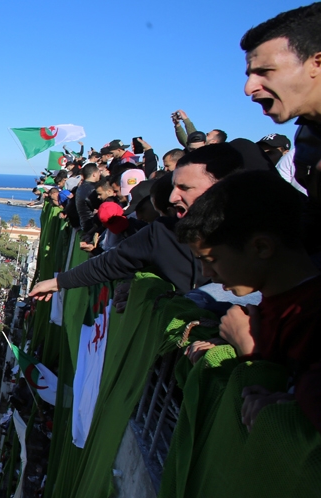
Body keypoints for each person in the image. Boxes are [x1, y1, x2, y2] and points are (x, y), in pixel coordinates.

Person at [176, 170, 321, 433]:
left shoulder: (310, 316)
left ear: (261, 247)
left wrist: (249, 351)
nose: (207, 275)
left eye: (211, 260)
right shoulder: (268, 308)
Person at [28, 144, 243, 298]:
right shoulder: (162, 232)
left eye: (185, 189)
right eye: (174, 187)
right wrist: (60, 282)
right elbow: (114, 261)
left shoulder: (254, 233)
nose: (172, 198)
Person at [241, 2, 321, 236]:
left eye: (265, 71)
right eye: (249, 75)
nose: (249, 88)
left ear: (316, 63)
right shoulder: (306, 134)